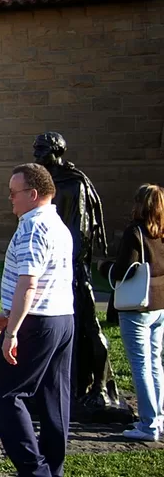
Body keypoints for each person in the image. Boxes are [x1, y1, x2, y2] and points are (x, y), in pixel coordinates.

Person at [0, 163, 74, 477]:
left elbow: (30, 281)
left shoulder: (32, 225)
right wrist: (9, 313)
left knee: (7, 393)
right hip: (62, 318)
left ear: (33, 193)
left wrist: (13, 330)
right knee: (54, 396)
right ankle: (53, 468)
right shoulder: (58, 224)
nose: (9, 199)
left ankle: (35, 470)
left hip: (37, 322)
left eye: (13, 193)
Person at [33, 132, 119, 411]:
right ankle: (59, 386)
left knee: (88, 325)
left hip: (73, 269)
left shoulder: (74, 183)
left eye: (41, 150)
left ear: (56, 151)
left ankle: (100, 387)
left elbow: (80, 231)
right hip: (52, 268)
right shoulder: (47, 183)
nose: (36, 155)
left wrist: (69, 270)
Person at [106, 184, 164, 441]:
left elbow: (123, 270)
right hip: (160, 304)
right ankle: (158, 418)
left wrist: (102, 266)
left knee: (141, 365)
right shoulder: (162, 232)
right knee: (155, 364)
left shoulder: (135, 231)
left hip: (138, 305)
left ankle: (148, 424)